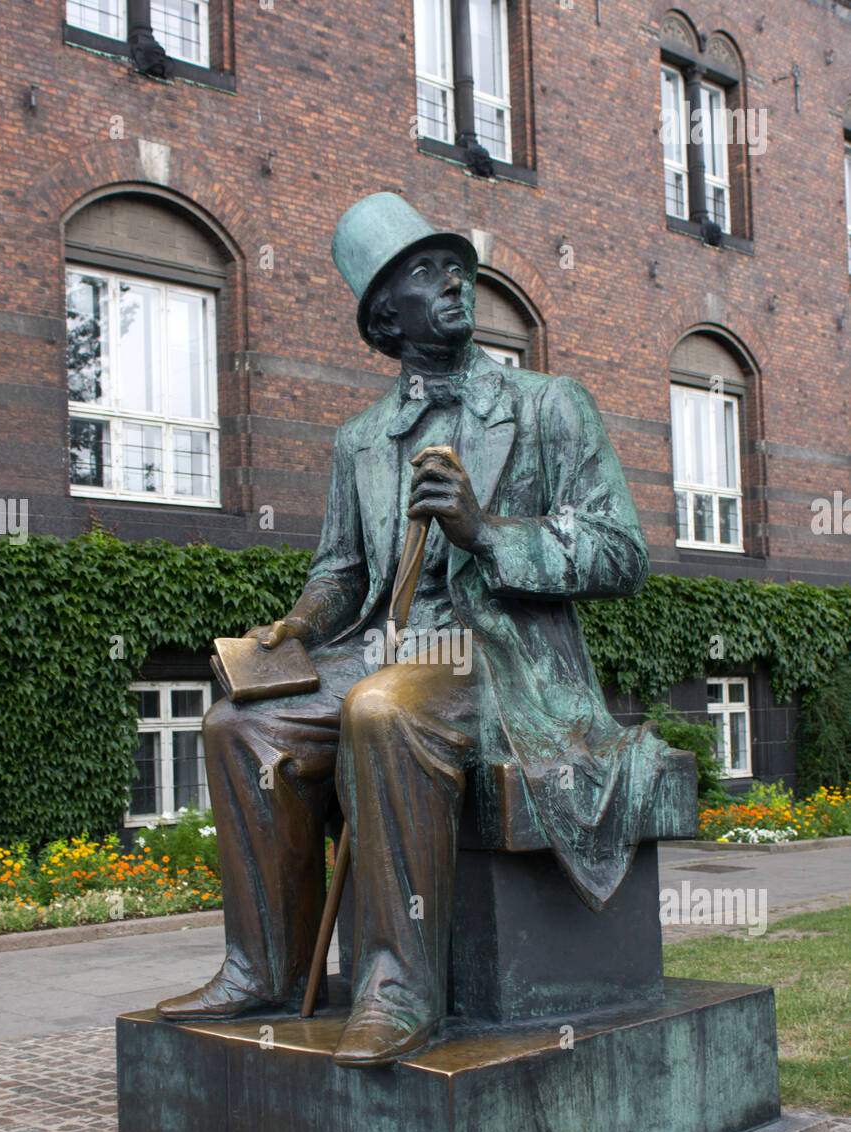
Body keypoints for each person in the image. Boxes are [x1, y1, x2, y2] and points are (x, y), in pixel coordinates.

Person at [156, 193, 669, 1065]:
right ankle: (266, 971)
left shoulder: (549, 406)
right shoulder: (359, 440)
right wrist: (298, 625)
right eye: (427, 271)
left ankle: (399, 990)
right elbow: (339, 572)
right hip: (374, 646)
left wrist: (486, 533)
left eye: (458, 266)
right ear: (384, 313)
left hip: (492, 658)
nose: (455, 281)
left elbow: (621, 553)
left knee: (383, 708)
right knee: (236, 724)